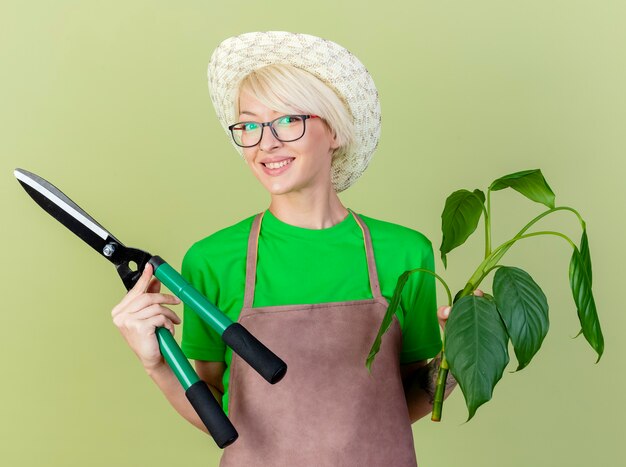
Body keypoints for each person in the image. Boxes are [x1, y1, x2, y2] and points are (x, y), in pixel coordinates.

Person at [111, 31, 475, 466]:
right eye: (248, 125)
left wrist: (461, 354)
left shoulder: (404, 253)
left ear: (335, 130)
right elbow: (214, 404)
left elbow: (404, 401)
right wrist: (155, 363)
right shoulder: (212, 260)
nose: (266, 143)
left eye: (287, 120)